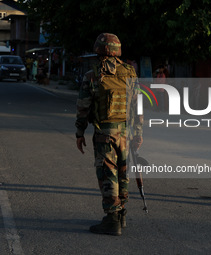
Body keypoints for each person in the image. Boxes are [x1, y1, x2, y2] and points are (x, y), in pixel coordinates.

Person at [75, 33, 143, 236]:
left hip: (105, 133)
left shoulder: (93, 74)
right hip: (126, 133)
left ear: (99, 50)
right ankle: (121, 214)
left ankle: (111, 219)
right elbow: (138, 105)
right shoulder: (130, 73)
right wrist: (138, 133)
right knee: (123, 173)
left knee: (108, 174)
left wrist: (79, 132)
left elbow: (83, 107)